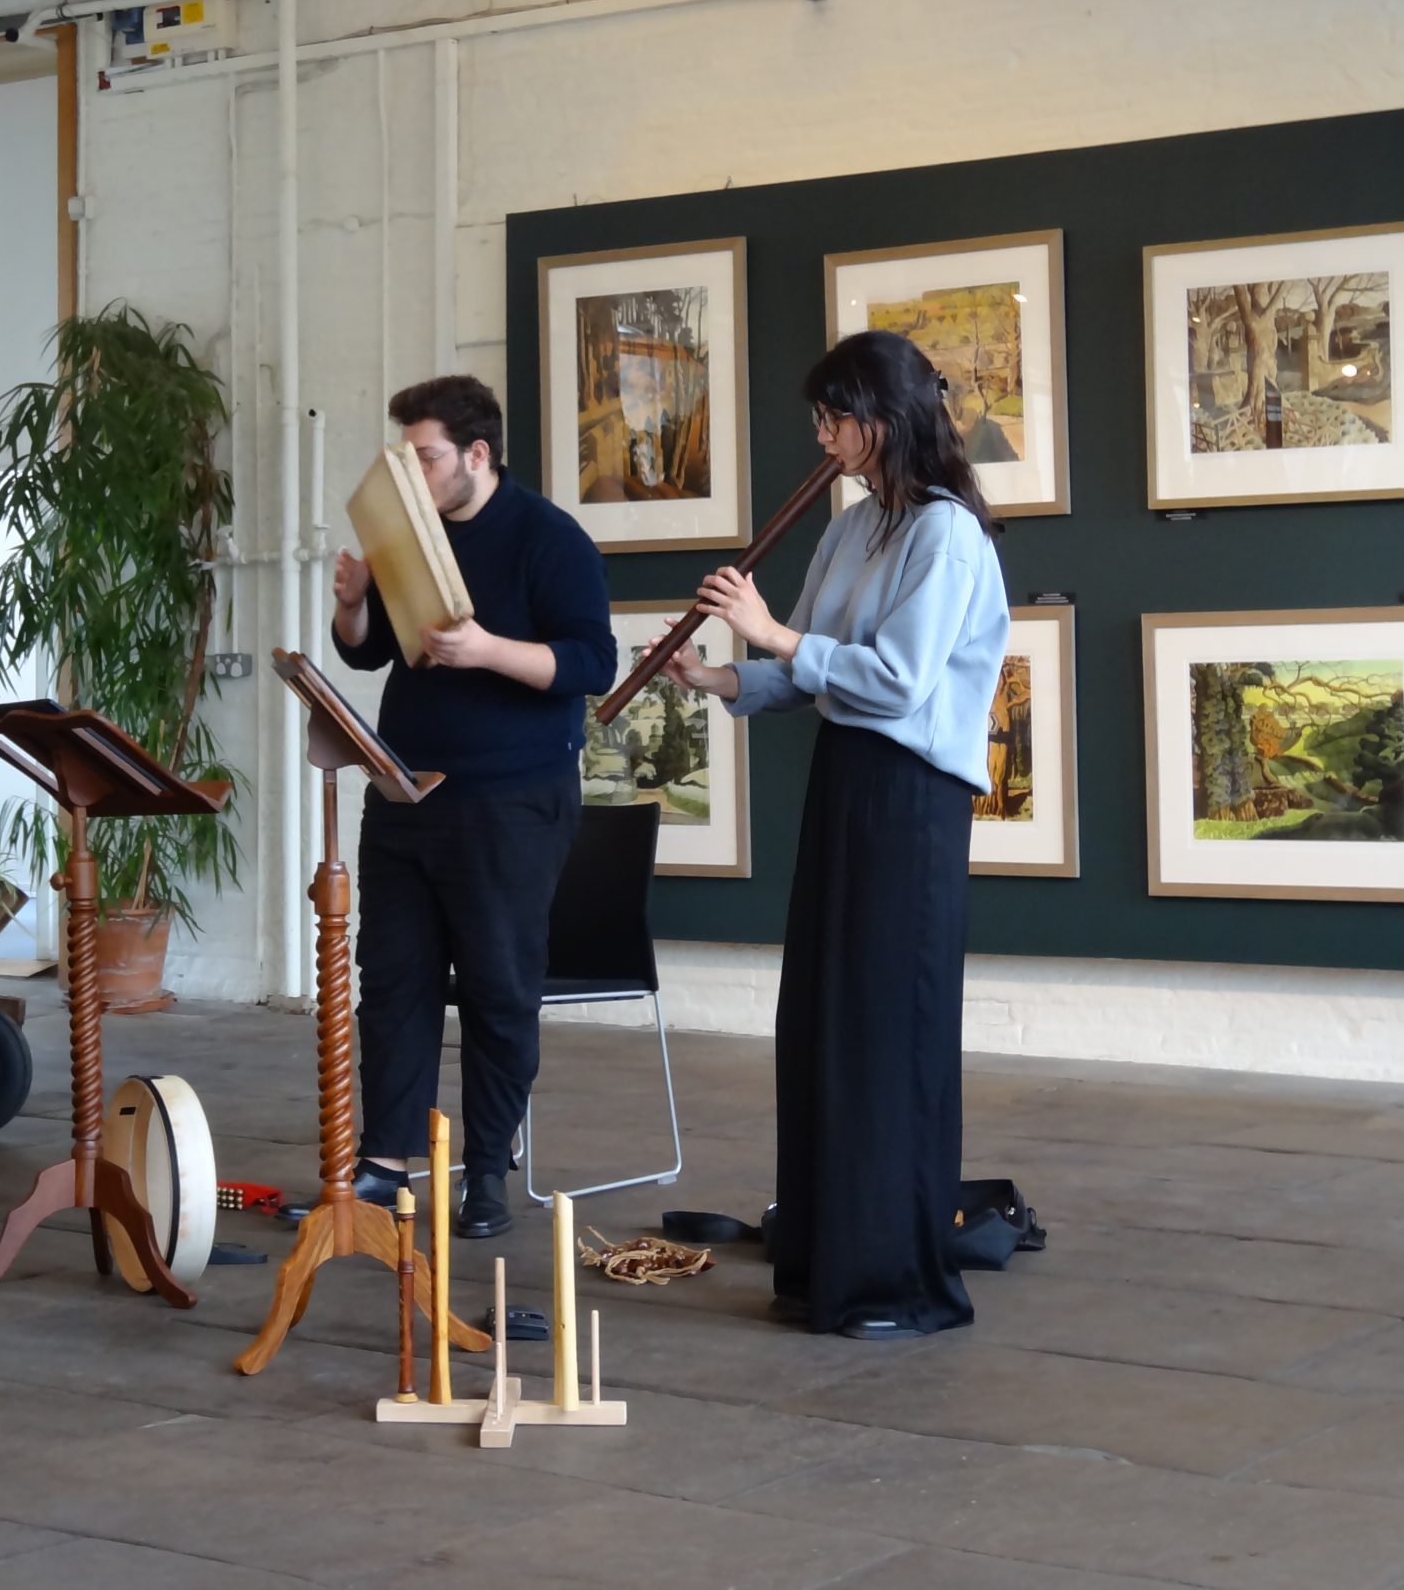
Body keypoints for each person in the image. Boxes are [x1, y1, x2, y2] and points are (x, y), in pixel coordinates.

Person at [667, 332, 1010, 1338]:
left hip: (911, 799)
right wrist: (717, 675)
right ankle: (826, 1261)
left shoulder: (946, 534)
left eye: (834, 419)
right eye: (819, 420)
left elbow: (896, 682)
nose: (822, 438)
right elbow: (803, 672)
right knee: (825, 1020)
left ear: (884, 420)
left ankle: (895, 1281)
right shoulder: (854, 528)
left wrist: (770, 630)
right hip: (846, 783)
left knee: (887, 1031)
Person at [331, 376, 615, 1237]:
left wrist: (488, 649)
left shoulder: (548, 538)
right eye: (406, 459)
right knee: (393, 983)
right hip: (404, 789)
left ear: (477, 455)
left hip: (511, 800)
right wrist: (351, 603)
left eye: (425, 458)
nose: (412, 475)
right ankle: (385, 1163)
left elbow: (590, 665)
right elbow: (365, 655)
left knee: (498, 989)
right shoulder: (407, 537)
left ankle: (486, 1169)